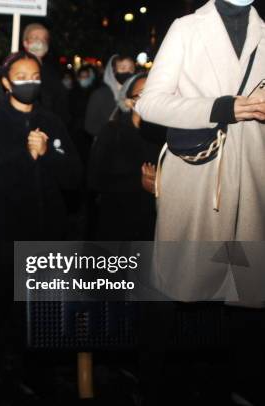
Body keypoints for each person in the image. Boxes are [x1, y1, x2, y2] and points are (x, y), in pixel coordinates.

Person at [136, 1, 265, 404]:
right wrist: (222, 107)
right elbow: (149, 103)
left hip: (253, 174)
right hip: (198, 177)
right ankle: (155, 387)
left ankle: (231, 386)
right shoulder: (187, 27)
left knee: (245, 294)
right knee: (177, 286)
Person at [0, 51, 82, 401]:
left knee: (42, 310)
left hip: (47, 235)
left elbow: (75, 178)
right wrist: (25, 156)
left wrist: (49, 154)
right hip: (6, 236)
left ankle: (37, 374)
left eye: (35, 76)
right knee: (0, 311)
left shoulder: (52, 121)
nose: (29, 82)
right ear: (6, 82)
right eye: (20, 76)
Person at [88, 73, 166, 241]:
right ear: (130, 102)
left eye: (155, 93)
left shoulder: (168, 135)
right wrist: (139, 182)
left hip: (154, 229)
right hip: (117, 226)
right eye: (143, 94)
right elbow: (95, 179)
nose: (150, 100)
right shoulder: (112, 131)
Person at [84, 55, 136, 138]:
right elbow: (89, 126)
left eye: (131, 69)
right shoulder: (99, 95)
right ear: (113, 71)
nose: (128, 72)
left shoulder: (135, 93)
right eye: (123, 68)